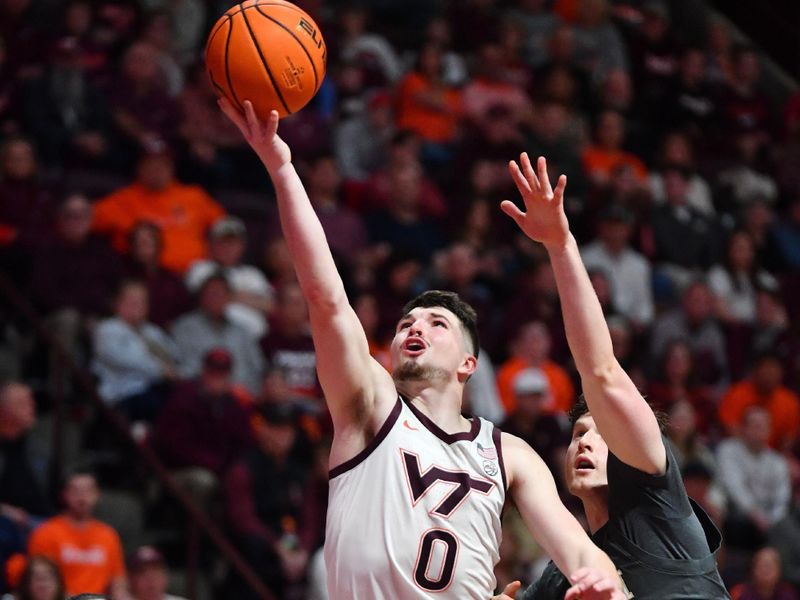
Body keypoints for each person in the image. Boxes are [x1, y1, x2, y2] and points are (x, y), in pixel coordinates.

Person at [219, 99, 625, 599]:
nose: (416, 328)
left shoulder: (506, 452)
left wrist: (609, 591)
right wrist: (282, 168)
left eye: (437, 324)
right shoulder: (369, 406)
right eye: (406, 322)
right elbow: (326, 300)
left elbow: (579, 551)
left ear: (468, 364)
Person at [499, 153, 728, 599]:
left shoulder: (658, 498)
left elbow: (600, 372)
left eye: (599, 432)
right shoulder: (562, 576)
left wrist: (560, 245)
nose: (583, 441)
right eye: (577, 433)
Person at [28, 472, 127, 598]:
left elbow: (118, 582)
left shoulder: (108, 535)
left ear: (97, 494)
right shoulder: (46, 532)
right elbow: (40, 582)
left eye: (87, 490)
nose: (82, 496)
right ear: (64, 494)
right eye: (75, 491)